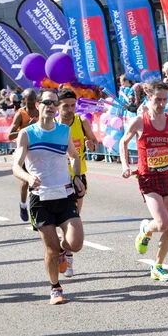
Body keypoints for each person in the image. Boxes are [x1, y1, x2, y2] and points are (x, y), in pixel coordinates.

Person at [13, 88, 85, 305]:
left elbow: (73, 156)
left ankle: (64, 251)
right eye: (47, 102)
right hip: (40, 198)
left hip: (64, 194)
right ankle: (55, 288)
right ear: (38, 105)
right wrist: (28, 176)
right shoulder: (27, 133)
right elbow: (16, 166)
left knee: (76, 242)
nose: (52, 106)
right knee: (51, 249)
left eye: (55, 103)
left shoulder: (64, 131)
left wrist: (77, 176)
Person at [120, 82, 168, 281]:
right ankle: (146, 229)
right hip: (148, 178)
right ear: (149, 98)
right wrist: (125, 165)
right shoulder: (139, 121)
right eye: (157, 100)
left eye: (164, 99)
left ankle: (157, 266)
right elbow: (123, 141)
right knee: (162, 223)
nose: (161, 104)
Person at [56, 88, 98, 277]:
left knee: (73, 221)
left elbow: (94, 140)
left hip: (77, 178)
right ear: (58, 106)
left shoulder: (82, 122)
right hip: (56, 179)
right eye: (66, 106)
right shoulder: (53, 125)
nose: (70, 109)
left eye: (73, 105)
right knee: (59, 222)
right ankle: (61, 247)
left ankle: (68, 259)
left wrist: (92, 143)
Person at [7, 88, 39, 221]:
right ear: (23, 100)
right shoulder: (20, 114)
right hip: (25, 151)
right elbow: (10, 135)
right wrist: (26, 128)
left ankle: (40, 206)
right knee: (26, 181)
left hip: (39, 150)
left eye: (33, 99)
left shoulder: (39, 112)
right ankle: (23, 204)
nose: (31, 101)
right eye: (28, 99)